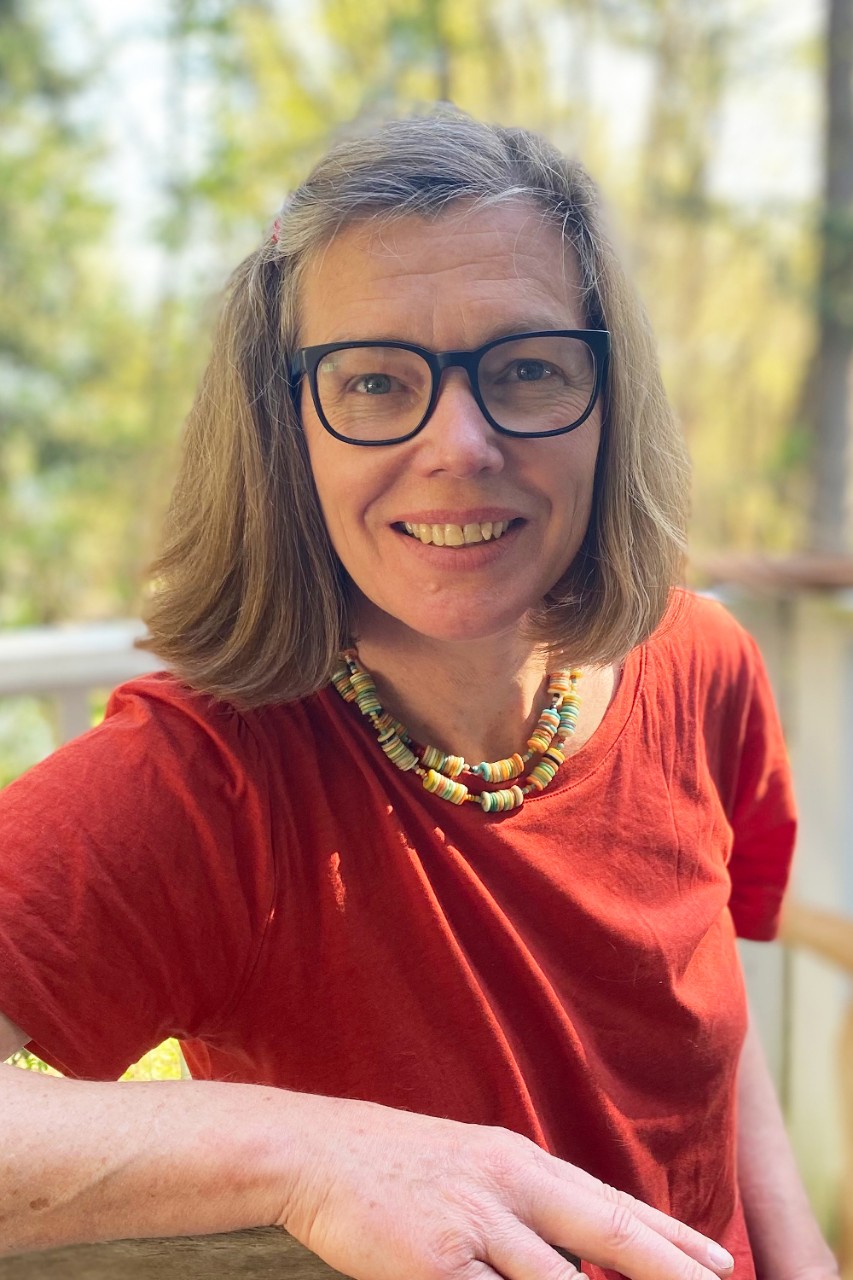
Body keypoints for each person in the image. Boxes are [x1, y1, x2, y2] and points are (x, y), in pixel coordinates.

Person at [0, 107, 837, 1280]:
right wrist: (308, 1154)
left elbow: (716, 1020)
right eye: (377, 380)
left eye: (528, 368)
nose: (461, 443)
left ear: (609, 401)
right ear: (288, 426)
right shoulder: (203, 781)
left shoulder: (701, 665)